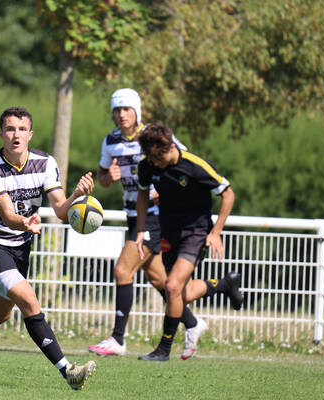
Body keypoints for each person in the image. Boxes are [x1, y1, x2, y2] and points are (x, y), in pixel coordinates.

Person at [0, 106, 97, 390]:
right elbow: (7, 216)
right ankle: (69, 372)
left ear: (30, 134)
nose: (16, 135)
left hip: (20, 246)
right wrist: (25, 223)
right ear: (1, 133)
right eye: (10, 129)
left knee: (0, 314)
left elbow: (62, 212)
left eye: (21, 129)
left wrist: (77, 194)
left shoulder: (45, 162)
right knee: (28, 299)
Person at [89, 88, 209, 360]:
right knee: (159, 279)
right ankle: (192, 323)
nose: (121, 114)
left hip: (156, 216)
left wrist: (165, 189)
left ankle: (117, 339)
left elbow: (183, 166)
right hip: (133, 214)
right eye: (117, 110)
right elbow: (103, 178)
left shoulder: (155, 136)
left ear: (137, 111)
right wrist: (110, 176)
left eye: (126, 109)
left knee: (122, 270)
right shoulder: (110, 141)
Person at [134, 122, 244, 361]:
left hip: (196, 232)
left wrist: (215, 232)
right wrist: (141, 229)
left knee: (171, 287)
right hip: (168, 232)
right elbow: (142, 195)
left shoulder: (195, 166)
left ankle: (163, 350)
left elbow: (228, 193)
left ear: (170, 148)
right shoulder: (147, 166)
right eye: (149, 158)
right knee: (177, 292)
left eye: (156, 158)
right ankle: (225, 284)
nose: (152, 163)